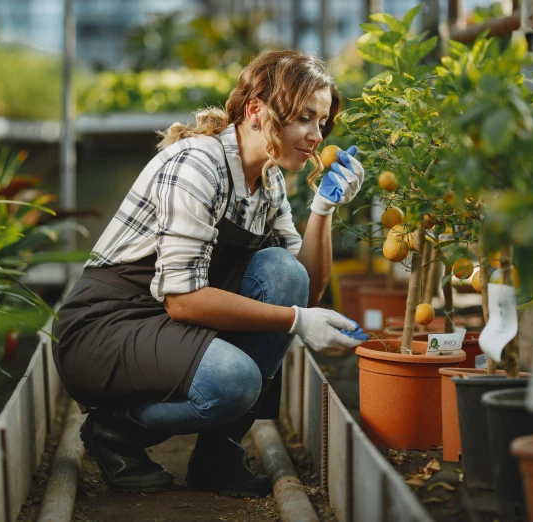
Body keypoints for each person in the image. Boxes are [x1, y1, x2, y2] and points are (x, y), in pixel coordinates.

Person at [52, 49, 369, 499]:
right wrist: (296, 322)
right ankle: (115, 433)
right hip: (107, 328)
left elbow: (305, 288)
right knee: (234, 381)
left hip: (169, 324)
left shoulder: (269, 181)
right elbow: (183, 299)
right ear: (257, 108)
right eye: (304, 117)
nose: (316, 134)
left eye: (322, 122)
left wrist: (323, 208)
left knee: (282, 272)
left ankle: (217, 455)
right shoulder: (198, 164)